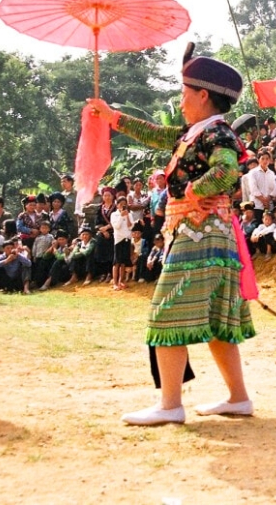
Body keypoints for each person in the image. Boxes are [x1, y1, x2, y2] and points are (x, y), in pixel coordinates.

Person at [91, 43, 255, 425]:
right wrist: (112, 116)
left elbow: (227, 171)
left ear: (202, 95)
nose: (180, 102)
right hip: (209, 234)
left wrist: (196, 191)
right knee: (217, 319)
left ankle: (170, 405)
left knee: (167, 313)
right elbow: (155, 134)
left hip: (199, 232)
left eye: (184, 94)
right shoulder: (197, 133)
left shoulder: (217, 136)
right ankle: (238, 397)